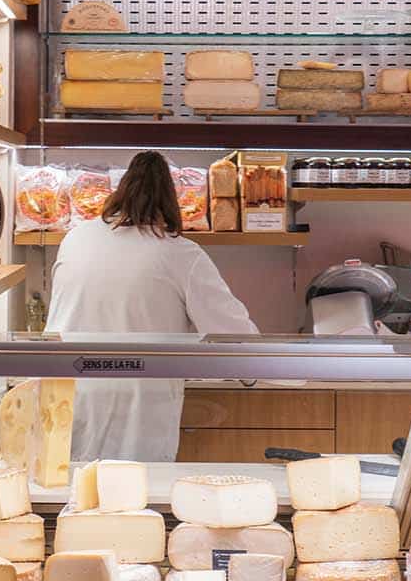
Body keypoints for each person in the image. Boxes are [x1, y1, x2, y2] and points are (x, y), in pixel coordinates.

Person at [46, 151, 257, 461]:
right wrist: (272, 371)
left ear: (119, 193)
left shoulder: (76, 238)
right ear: (171, 202)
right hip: (140, 399)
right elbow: (232, 332)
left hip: (68, 390)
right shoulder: (179, 253)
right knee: (133, 497)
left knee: (72, 495)